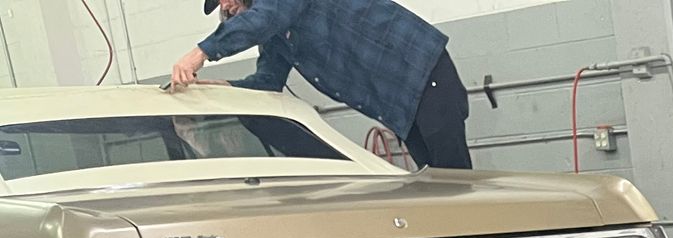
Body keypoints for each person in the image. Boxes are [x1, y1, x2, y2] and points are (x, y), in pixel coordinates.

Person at [171, 0, 472, 170]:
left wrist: (200, 53)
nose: (225, 5)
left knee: (453, 179)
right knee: (436, 179)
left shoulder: (276, 9)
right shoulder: (276, 36)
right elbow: (268, 84)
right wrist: (220, 87)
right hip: (400, 103)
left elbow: (264, 18)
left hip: (422, 70)